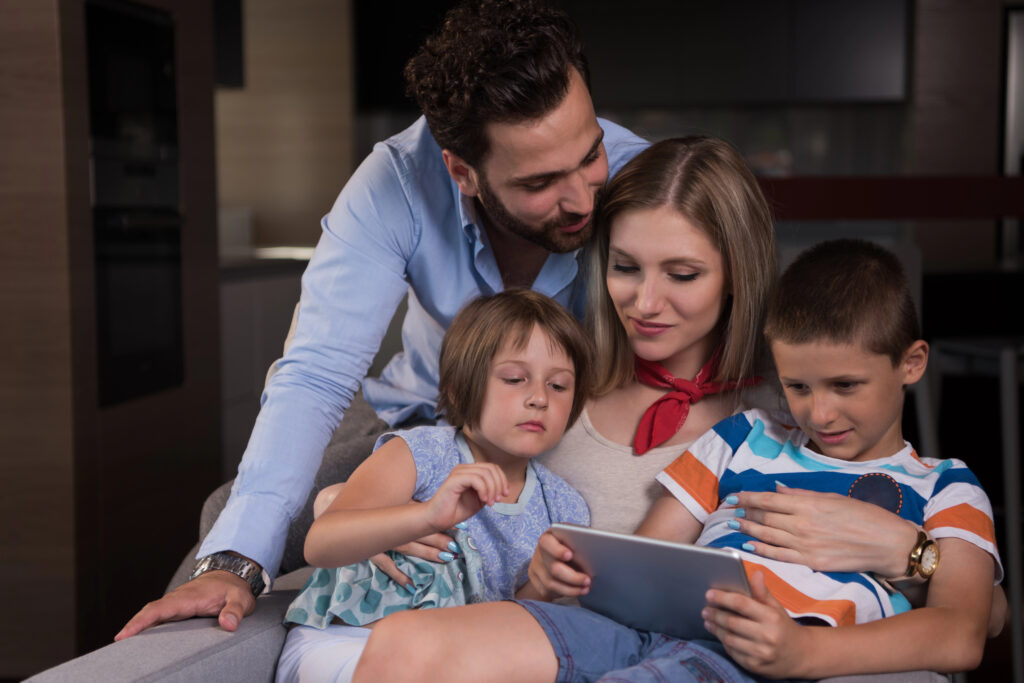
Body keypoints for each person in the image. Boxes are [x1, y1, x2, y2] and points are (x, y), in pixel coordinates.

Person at [351, 146, 1000, 682]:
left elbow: (976, 617)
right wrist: (351, 509)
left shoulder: (790, 409)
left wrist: (914, 554)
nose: (646, 301)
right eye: (627, 267)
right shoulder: (550, 395)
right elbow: (419, 471)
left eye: (683, 273)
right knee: (404, 647)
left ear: (735, 276)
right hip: (617, 629)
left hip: (746, 649)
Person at [116, 0, 647, 639]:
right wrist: (241, 559)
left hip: (561, 426)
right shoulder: (393, 185)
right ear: (463, 172)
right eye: (539, 183)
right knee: (229, 519)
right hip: (419, 413)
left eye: (590, 156)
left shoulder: (643, 176)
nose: (586, 198)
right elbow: (315, 373)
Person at [513, 238, 1003, 681]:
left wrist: (804, 649)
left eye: (846, 385)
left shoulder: (945, 485)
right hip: (665, 634)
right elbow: (650, 558)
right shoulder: (743, 434)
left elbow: (959, 635)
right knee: (477, 640)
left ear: (911, 364)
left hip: (768, 652)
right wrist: (578, 572)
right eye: (797, 387)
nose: (821, 413)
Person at [274, 289, 593, 682]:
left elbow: (505, 628)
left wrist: (541, 589)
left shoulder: (563, 507)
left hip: (454, 658)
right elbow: (320, 544)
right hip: (348, 640)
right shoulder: (420, 454)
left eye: (559, 386)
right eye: (515, 378)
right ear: (460, 388)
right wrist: (425, 515)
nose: (539, 398)